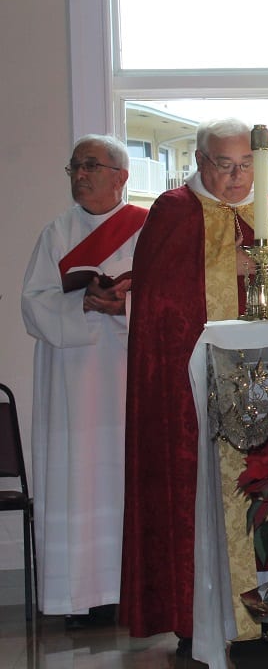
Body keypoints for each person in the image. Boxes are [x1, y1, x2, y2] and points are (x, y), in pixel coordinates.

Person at [121, 118, 268, 650]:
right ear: (200, 161)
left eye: (248, 165)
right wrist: (227, 267)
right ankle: (201, 615)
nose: (238, 178)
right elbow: (160, 302)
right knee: (198, 493)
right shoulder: (172, 213)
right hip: (192, 393)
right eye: (225, 165)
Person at [21, 135, 146, 628]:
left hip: (123, 370)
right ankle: (80, 596)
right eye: (74, 166)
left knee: (120, 474)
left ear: (121, 175)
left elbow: (164, 299)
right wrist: (81, 305)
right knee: (76, 476)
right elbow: (33, 304)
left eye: (91, 165)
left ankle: (129, 592)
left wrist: (123, 308)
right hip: (69, 378)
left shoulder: (145, 229)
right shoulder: (57, 231)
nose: (80, 174)